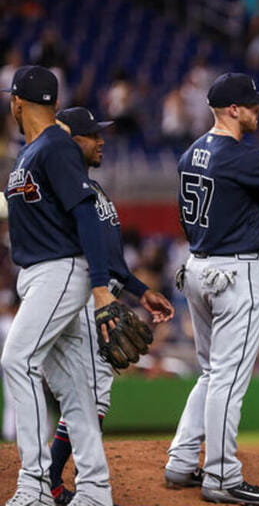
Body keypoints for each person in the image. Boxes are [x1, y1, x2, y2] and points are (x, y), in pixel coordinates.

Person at [163, 71, 259, 505]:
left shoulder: (190, 153)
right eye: (252, 105)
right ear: (232, 109)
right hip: (235, 272)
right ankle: (221, 476)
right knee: (229, 380)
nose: (258, 110)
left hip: (197, 266)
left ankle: (181, 460)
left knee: (213, 373)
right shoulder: (240, 157)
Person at [2, 65, 119, 506]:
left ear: (18, 102)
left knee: (17, 360)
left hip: (60, 270)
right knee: (74, 389)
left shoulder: (55, 147)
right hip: (39, 276)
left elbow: (86, 213)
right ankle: (96, 490)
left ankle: (33, 486)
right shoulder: (32, 151)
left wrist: (102, 285)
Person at [48, 107, 175, 505]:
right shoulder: (64, 190)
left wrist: (141, 291)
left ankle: (57, 480)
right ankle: (59, 482)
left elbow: (112, 259)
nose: (101, 140)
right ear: (72, 143)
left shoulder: (94, 190)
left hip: (105, 293)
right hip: (84, 298)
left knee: (90, 398)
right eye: (91, 135)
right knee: (89, 398)